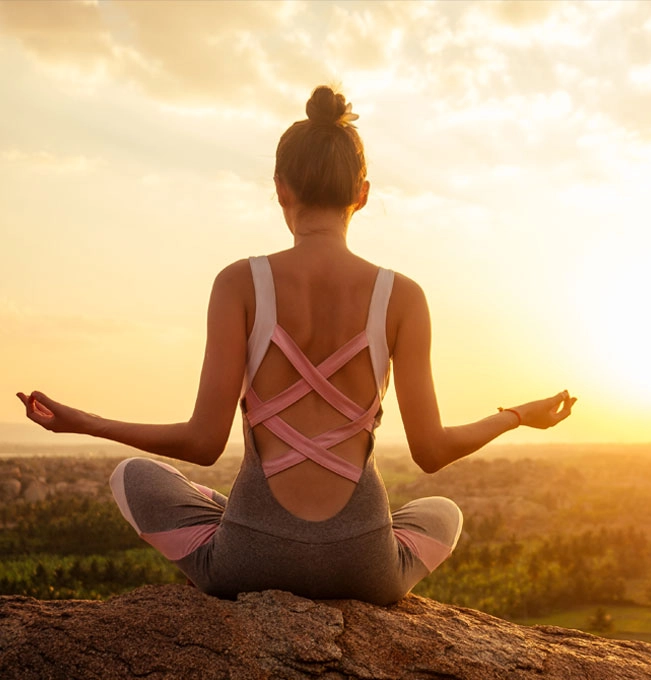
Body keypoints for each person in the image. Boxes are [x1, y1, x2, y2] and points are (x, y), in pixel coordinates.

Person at [17, 85, 576, 605]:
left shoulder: (239, 283)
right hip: (365, 567)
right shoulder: (402, 296)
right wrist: (517, 416)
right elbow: (431, 452)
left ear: (281, 188)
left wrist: (86, 422)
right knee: (443, 512)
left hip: (248, 560)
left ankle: (231, 518)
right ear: (362, 194)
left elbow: (203, 441)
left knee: (129, 477)